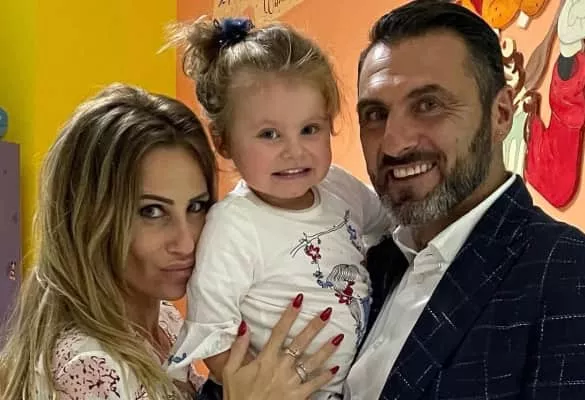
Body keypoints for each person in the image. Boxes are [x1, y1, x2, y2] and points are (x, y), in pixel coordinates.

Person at [0, 83, 340, 400]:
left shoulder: (163, 319)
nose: (187, 243)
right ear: (88, 217)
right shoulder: (90, 367)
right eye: (151, 211)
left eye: (196, 207)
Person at [344, 1, 585, 399]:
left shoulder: (567, 274)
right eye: (375, 114)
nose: (393, 142)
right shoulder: (366, 262)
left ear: (501, 114)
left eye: (428, 105)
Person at [165, 17, 392, 400]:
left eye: (310, 129)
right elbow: (212, 334)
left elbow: (387, 226)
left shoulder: (339, 186)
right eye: (269, 134)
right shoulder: (234, 225)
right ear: (223, 143)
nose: (294, 151)